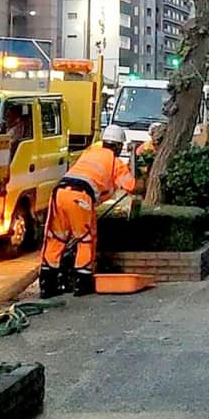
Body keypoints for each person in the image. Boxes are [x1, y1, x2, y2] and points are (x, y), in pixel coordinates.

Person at [39, 124, 137, 299]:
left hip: (59, 193)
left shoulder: (89, 153)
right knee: (85, 239)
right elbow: (131, 186)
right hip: (81, 197)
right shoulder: (116, 162)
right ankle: (82, 283)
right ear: (118, 146)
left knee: (56, 237)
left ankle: (48, 284)